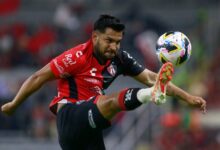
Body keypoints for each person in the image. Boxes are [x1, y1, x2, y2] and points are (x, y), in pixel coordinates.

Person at [1, 14, 206, 150]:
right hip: (70, 117)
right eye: (109, 40)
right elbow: (38, 77)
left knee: (105, 102)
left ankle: (151, 93)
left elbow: (153, 77)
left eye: (118, 42)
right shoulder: (76, 57)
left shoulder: (120, 59)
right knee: (108, 101)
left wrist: (188, 98)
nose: (114, 47)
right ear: (95, 37)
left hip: (91, 129)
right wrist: (14, 104)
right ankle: (149, 95)